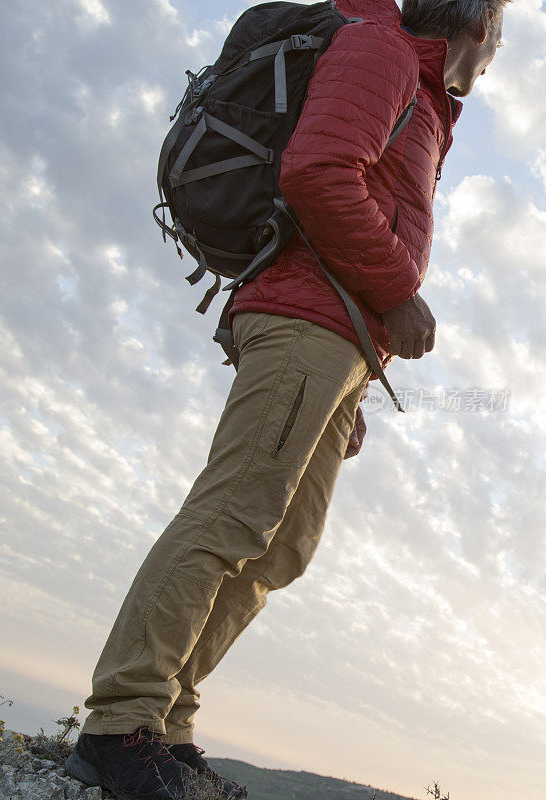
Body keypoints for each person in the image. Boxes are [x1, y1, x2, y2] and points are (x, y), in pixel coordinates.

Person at [65, 1, 509, 798]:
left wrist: (358, 379)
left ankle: (166, 719)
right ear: (478, 26)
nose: (501, 51)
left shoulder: (424, 95)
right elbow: (316, 172)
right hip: (306, 320)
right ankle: (117, 724)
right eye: (503, 33)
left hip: (338, 341)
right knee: (233, 514)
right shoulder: (381, 53)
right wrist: (400, 292)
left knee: (281, 546)